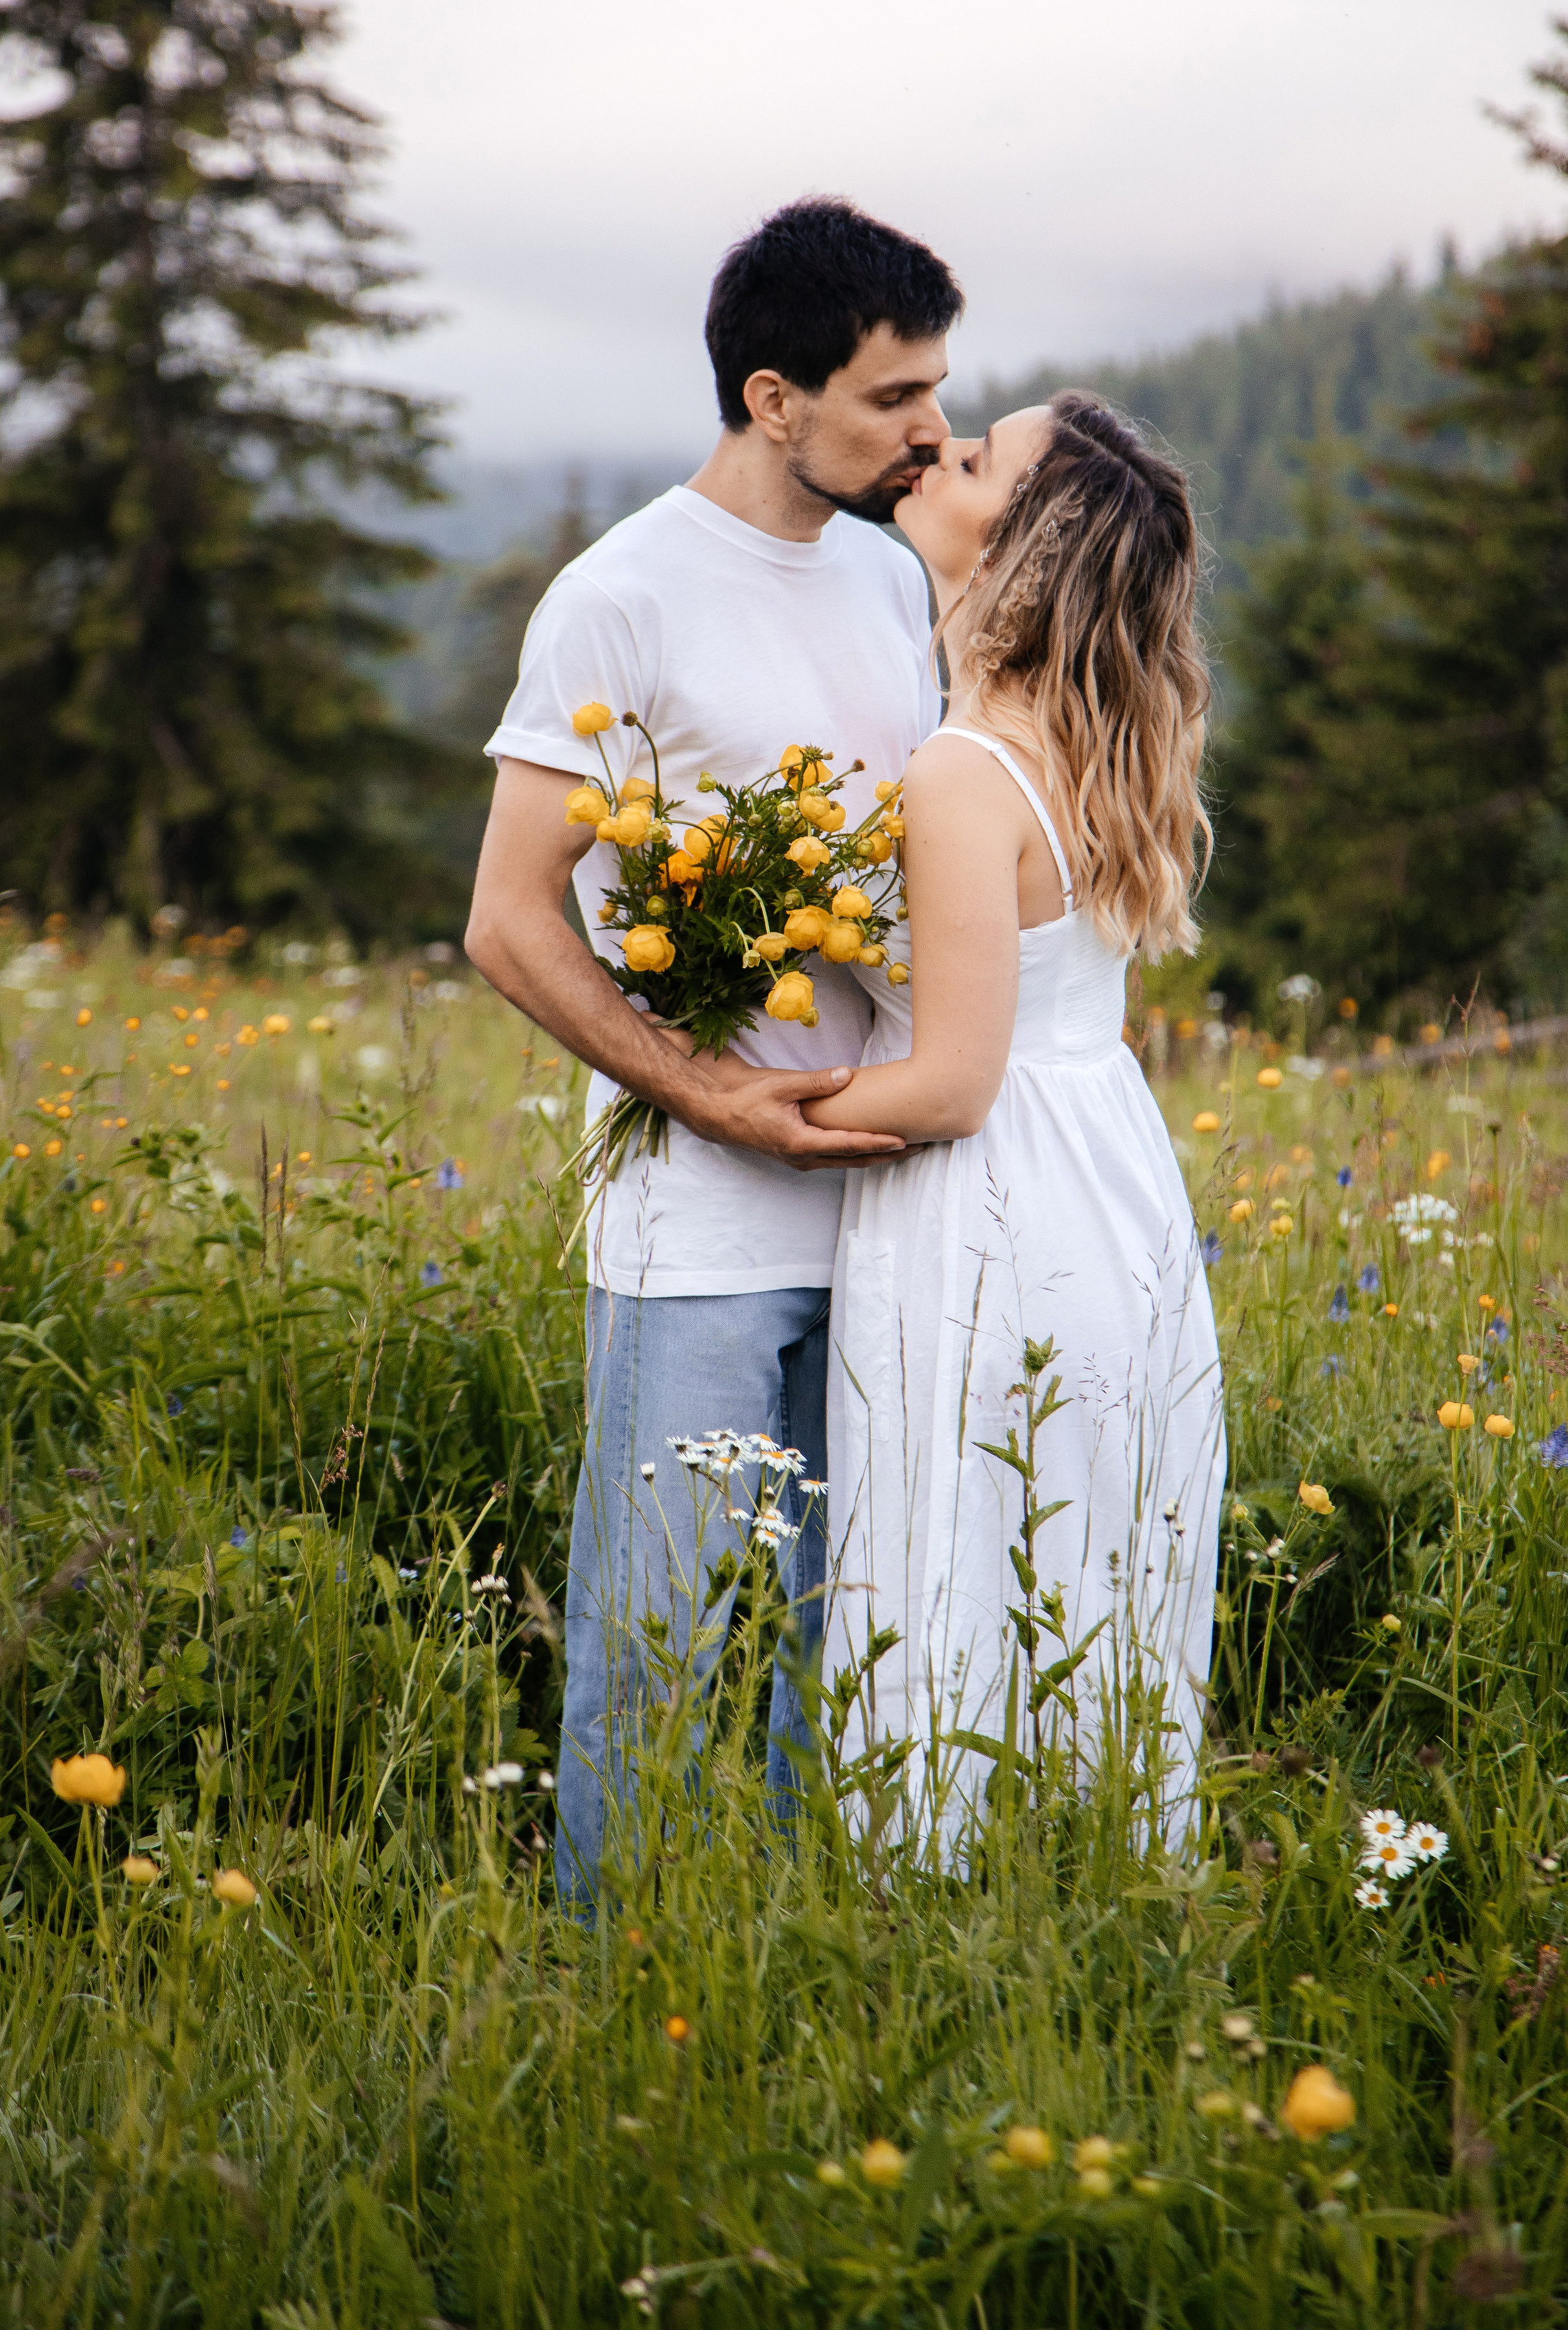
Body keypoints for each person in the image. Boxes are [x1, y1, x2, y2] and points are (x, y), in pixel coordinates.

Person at [464, 196, 962, 1906]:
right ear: (771, 398)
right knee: (652, 1634)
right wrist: (710, 1096)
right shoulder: (620, 595)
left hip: (898, 1202)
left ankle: (804, 1966)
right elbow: (511, 920)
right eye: (892, 397)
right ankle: (613, 1989)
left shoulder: (895, 579)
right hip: (695, 1223)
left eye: (937, 391)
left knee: (854, 1636)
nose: (929, 430)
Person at [800, 390, 1227, 1850]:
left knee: (952, 1538)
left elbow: (948, 1083)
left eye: (975, 458)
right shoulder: (1085, 744)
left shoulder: (961, 770)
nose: (937, 450)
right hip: (1107, 1182)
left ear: (1028, 544)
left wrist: (748, 1101)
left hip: (986, 1202)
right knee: (1084, 1543)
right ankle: (1092, 1867)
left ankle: (923, 1886)